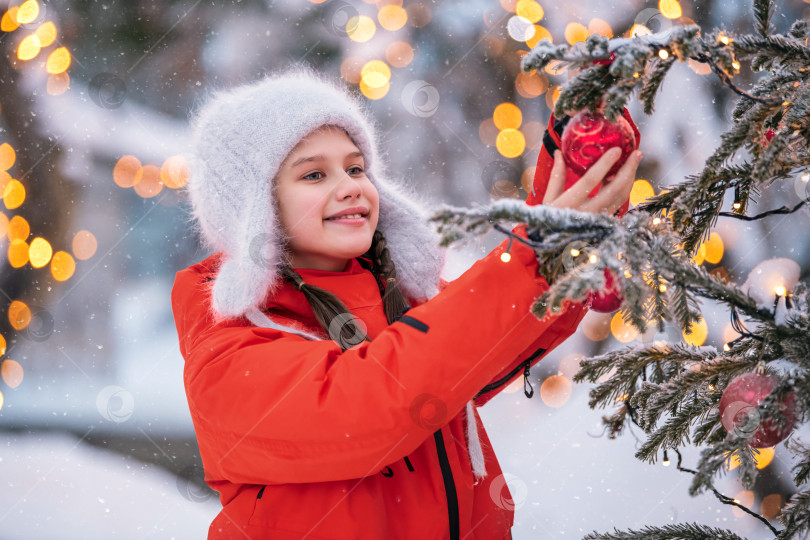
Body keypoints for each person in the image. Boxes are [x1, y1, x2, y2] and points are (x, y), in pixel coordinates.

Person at [171, 64, 642, 540]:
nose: (351, 184)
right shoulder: (229, 353)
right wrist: (532, 254)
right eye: (314, 174)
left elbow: (482, 342)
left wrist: (572, 202)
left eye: (356, 167)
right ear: (256, 209)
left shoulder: (396, 301)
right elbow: (378, 399)